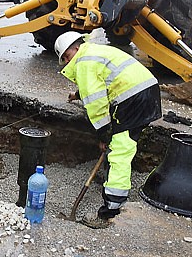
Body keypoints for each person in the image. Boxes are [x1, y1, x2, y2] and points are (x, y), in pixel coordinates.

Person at [54, 32, 162, 222]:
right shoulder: (92, 53)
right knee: (121, 143)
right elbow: (104, 78)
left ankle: (112, 207)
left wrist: (104, 136)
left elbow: (97, 104)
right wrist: (79, 94)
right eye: (64, 60)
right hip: (144, 91)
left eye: (67, 56)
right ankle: (109, 181)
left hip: (132, 98)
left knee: (120, 150)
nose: (67, 61)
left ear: (76, 48)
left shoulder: (84, 62)